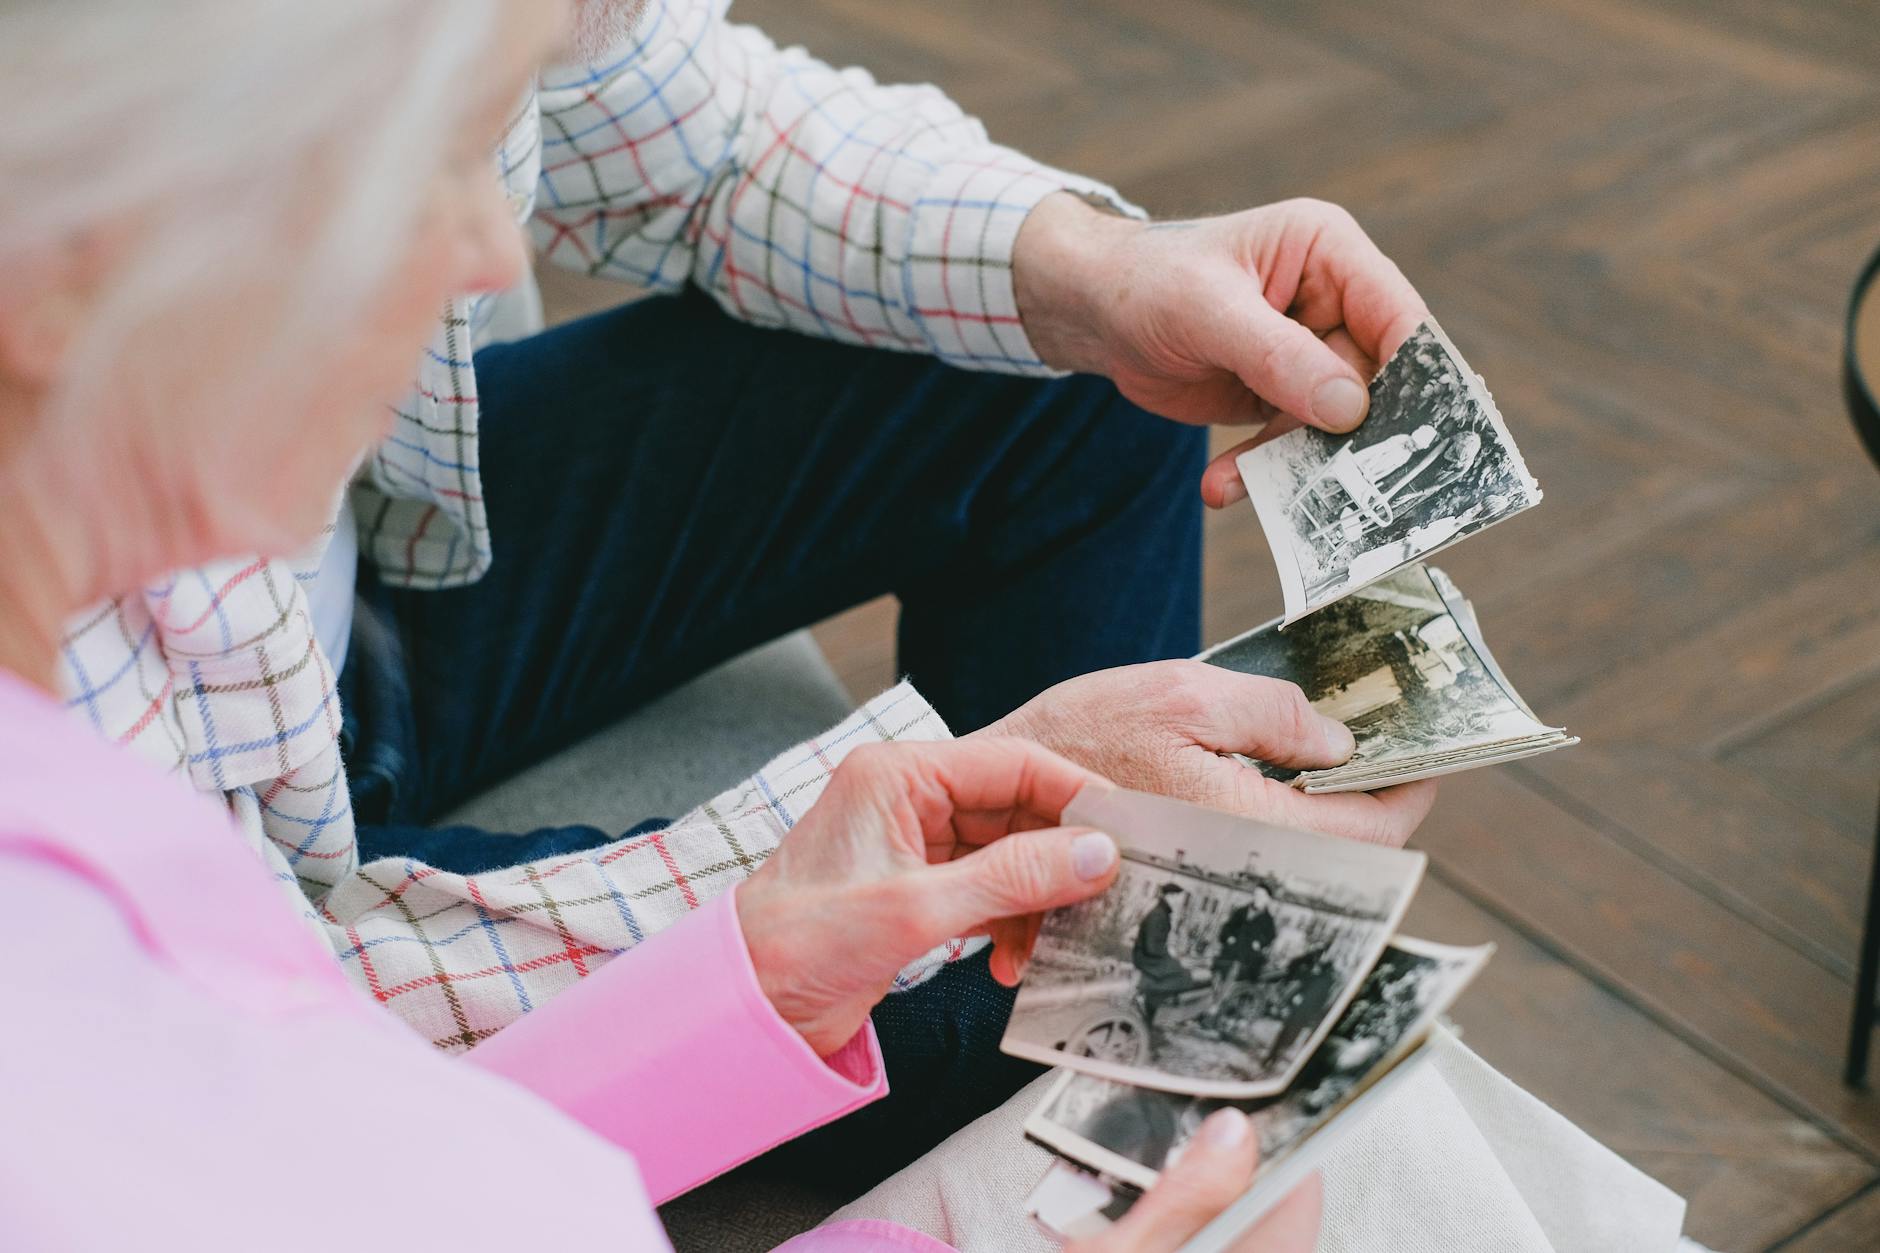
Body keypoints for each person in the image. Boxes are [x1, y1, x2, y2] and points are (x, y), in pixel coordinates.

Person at [0, 3, 1331, 1249]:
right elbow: (300, 1054)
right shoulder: (87, 988)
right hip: (263, 835)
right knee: (1025, 994)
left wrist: (1101, 270)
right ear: (62, 258)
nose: (493, 254)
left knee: (1079, 377)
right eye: (423, 157)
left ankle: (1045, 993)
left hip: (317, 628)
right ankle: (1028, 1026)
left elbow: (672, 110)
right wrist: (821, 890)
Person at [1204, 889, 1279, 1030]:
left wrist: (1260, 942)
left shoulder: (1268, 920)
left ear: (1267, 899)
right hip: (1230, 953)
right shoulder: (1241, 912)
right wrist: (1228, 936)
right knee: (1216, 975)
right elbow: (1227, 928)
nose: (1257, 897)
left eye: (1261, 896)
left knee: (1232, 976)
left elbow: (1270, 937)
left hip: (1248, 959)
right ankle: (1211, 1003)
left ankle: (1214, 1009)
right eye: (1255, 894)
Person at [1133, 883, 1206, 1026]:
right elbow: (1152, 947)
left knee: (1180, 970)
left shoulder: (1161, 912)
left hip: (1148, 956)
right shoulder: (1158, 915)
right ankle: (1149, 998)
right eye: (1178, 898)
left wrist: (1170, 954)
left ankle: (1153, 1001)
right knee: (1185, 977)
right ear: (1170, 897)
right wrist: (1169, 954)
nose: (1179, 902)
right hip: (1147, 958)